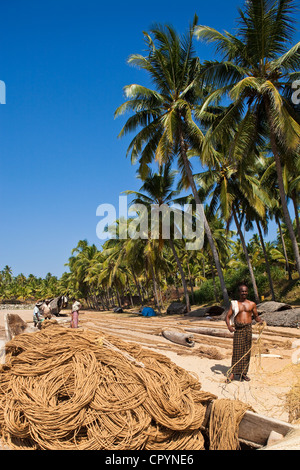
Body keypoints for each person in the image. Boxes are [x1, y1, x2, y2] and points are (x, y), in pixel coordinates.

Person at [225, 284, 263, 383]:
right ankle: (233, 373)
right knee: (237, 351)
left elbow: (256, 316)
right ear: (239, 292)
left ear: (247, 292)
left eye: (245, 291)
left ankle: (243, 373)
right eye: (242, 291)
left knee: (246, 352)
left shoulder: (252, 304)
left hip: (248, 329)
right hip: (238, 329)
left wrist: (261, 321)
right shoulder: (234, 304)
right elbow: (227, 316)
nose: (244, 293)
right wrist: (229, 326)